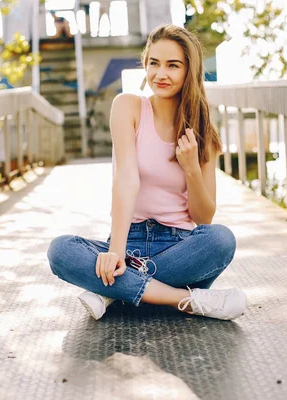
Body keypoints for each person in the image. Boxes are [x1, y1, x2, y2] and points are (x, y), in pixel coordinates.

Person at [47, 24, 247, 321]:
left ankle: (112, 292)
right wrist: (115, 251)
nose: (160, 74)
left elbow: (204, 219)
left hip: (179, 249)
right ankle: (183, 299)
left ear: (189, 71)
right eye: (154, 63)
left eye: (172, 65)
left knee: (221, 240)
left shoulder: (203, 129)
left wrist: (191, 168)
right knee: (60, 250)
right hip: (129, 241)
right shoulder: (128, 107)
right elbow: (126, 178)